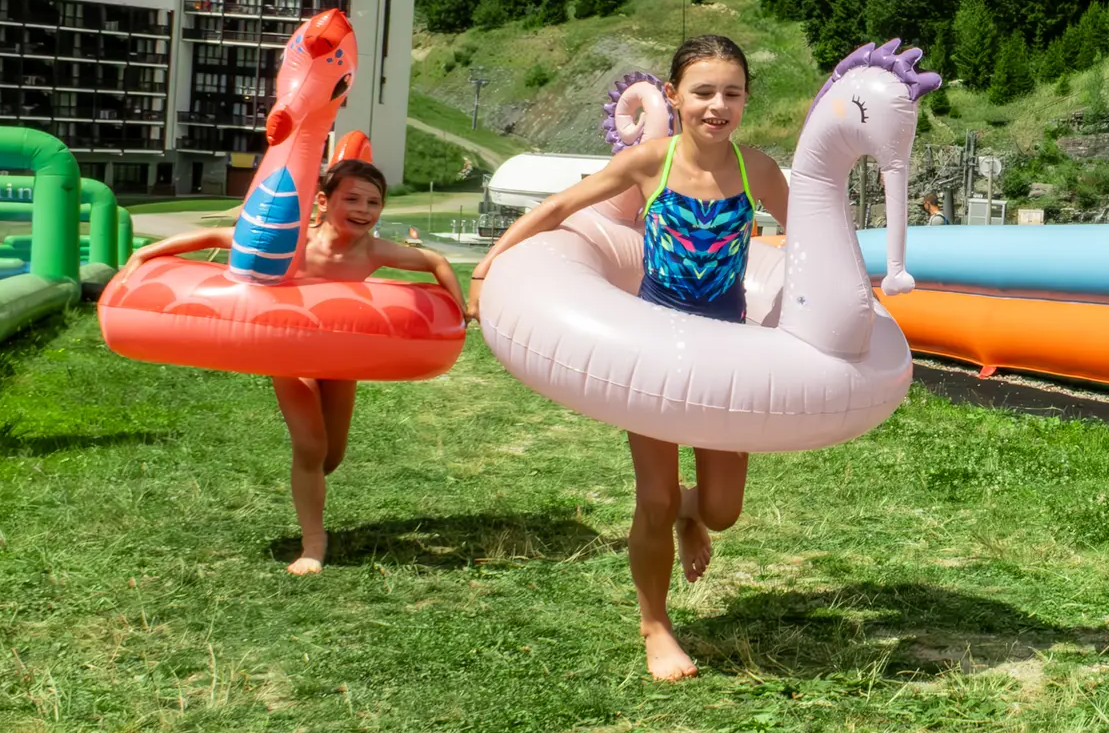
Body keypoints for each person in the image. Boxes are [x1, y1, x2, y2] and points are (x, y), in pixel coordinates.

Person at [467, 34, 790, 682]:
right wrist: (483, 270)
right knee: (653, 498)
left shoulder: (758, 170)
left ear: (747, 99)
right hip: (654, 347)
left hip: (726, 349)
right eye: (702, 92)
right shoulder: (651, 163)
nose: (717, 105)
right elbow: (558, 207)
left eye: (732, 93)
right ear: (674, 96)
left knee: (722, 509)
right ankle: (656, 627)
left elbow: (812, 237)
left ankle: (691, 515)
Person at [126, 159, 464, 576]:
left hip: (342, 357)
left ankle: (309, 482)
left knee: (331, 457)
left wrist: (462, 307)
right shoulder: (292, 242)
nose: (363, 209)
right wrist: (146, 251)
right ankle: (313, 545)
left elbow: (434, 262)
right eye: (352, 199)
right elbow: (218, 235)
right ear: (323, 201)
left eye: (374, 202)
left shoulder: (373, 250)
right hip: (289, 352)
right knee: (310, 446)